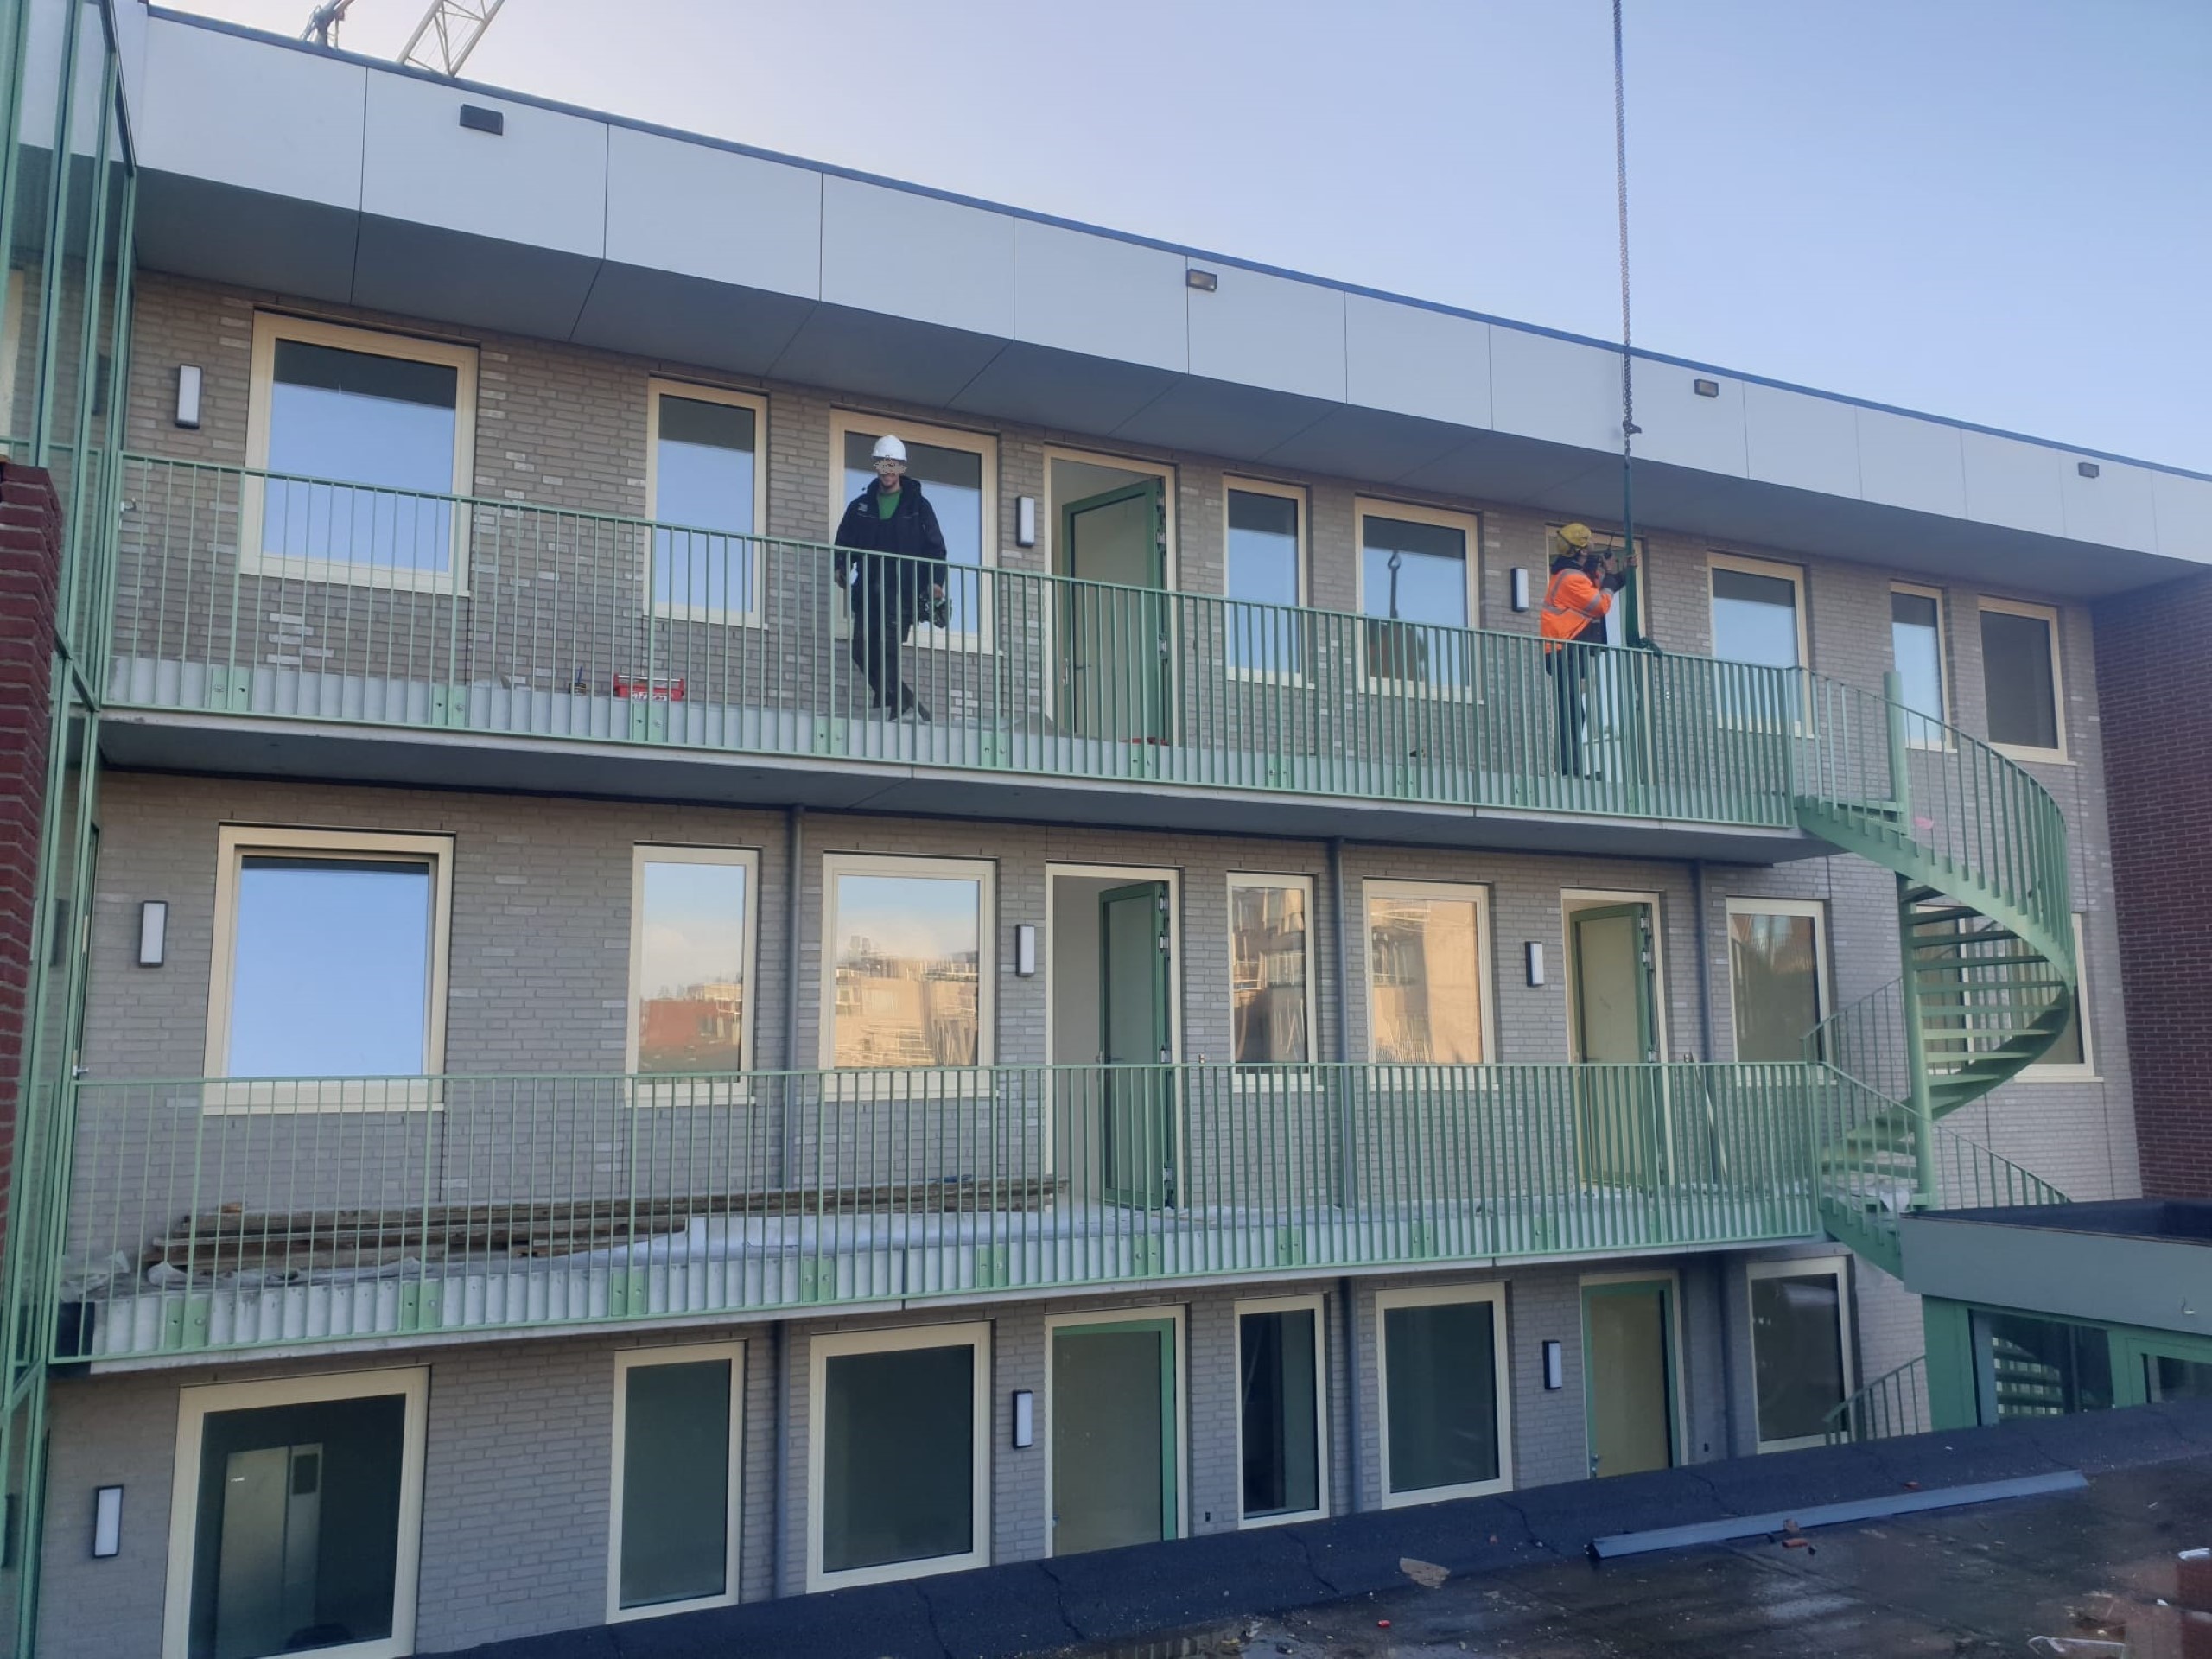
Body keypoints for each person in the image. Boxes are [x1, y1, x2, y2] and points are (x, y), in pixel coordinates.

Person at [832, 435, 949, 720]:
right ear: (876, 466)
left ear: (902, 468)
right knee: (861, 648)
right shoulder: (861, 506)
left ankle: (893, 703)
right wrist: (841, 566)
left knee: (886, 649)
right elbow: (845, 542)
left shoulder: (918, 506)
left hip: (902, 593)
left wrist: (935, 583)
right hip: (869, 593)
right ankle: (903, 701)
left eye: (893, 464)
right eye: (883, 463)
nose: (887, 469)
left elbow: (936, 548)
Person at [1541, 523, 1632, 775]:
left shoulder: (1571, 573)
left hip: (1568, 649)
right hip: (1565, 649)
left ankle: (1572, 768)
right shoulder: (1571, 579)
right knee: (1571, 713)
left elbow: (1600, 588)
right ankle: (1570, 771)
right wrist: (1611, 578)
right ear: (1581, 548)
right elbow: (1599, 604)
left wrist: (1618, 574)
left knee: (1574, 712)